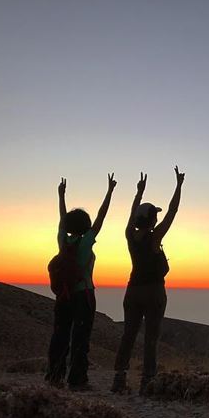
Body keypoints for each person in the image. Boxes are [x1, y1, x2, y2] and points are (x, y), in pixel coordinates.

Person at [112, 167, 184, 395]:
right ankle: (147, 382)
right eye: (155, 216)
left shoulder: (129, 235)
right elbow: (172, 212)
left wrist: (138, 194)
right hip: (153, 292)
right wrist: (178, 186)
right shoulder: (155, 238)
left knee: (129, 335)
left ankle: (119, 378)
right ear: (152, 220)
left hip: (132, 290)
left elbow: (132, 214)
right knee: (151, 338)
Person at [46, 173, 116, 391]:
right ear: (85, 226)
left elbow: (61, 220)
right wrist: (109, 192)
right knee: (80, 338)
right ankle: (77, 380)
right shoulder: (86, 243)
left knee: (60, 335)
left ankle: (54, 377)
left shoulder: (62, 241)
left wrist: (61, 196)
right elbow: (101, 218)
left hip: (63, 296)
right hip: (83, 295)